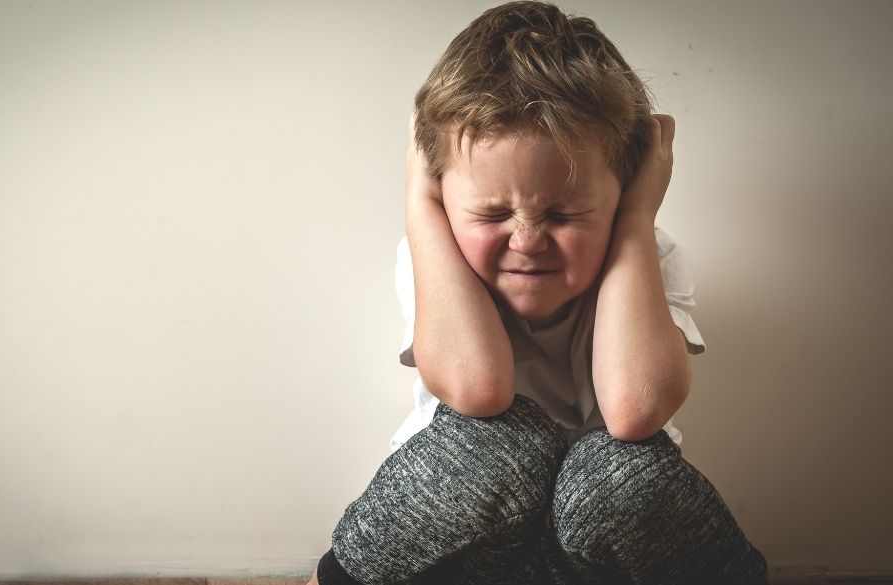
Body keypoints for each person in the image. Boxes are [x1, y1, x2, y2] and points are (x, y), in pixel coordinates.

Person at [308, 2, 769, 583]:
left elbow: (636, 412)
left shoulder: (647, 254)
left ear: (623, 193)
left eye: (564, 212)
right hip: (475, 539)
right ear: (441, 194)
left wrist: (635, 222)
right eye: (491, 213)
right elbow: (478, 391)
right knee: (491, 448)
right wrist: (418, 208)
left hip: (594, 550)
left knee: (616, 473)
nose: (526, 240)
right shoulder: (434, 251)